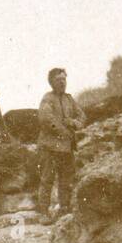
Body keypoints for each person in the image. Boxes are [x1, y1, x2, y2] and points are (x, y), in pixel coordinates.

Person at [37, 67, 85, 218]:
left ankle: (64, 209)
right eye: (59, 80)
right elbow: (46, 119)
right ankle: (44, 213)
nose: (62, 82)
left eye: (64, 79)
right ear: (51, 82)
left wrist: (74, 123)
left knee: (66, 179)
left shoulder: (69, 99)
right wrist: (64, 130)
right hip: (49, 147)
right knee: (47, 180)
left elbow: (82, 116)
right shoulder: (47, 99)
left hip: (66, 148)